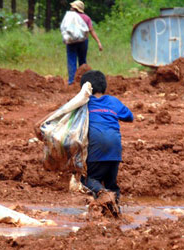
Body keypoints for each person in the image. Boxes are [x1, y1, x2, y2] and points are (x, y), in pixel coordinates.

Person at [80, 70, 134, 207]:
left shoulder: (83, 103)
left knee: (88, 179)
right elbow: (129, 117)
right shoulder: (113, 101)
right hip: (115, 150)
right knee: (111, 184)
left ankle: (103, 194)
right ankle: (115, 212)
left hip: (96, 148)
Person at [64, 1, 103, 85]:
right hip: (83, 42)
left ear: (74, 8)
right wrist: (98, 42)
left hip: (71, 42)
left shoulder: (69, 17)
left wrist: (65, 39)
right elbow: (91, 30)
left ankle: (72, 81)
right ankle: (83, 81)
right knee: (82, 62)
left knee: (71, 60)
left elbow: (65, 29)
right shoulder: (86, 18)